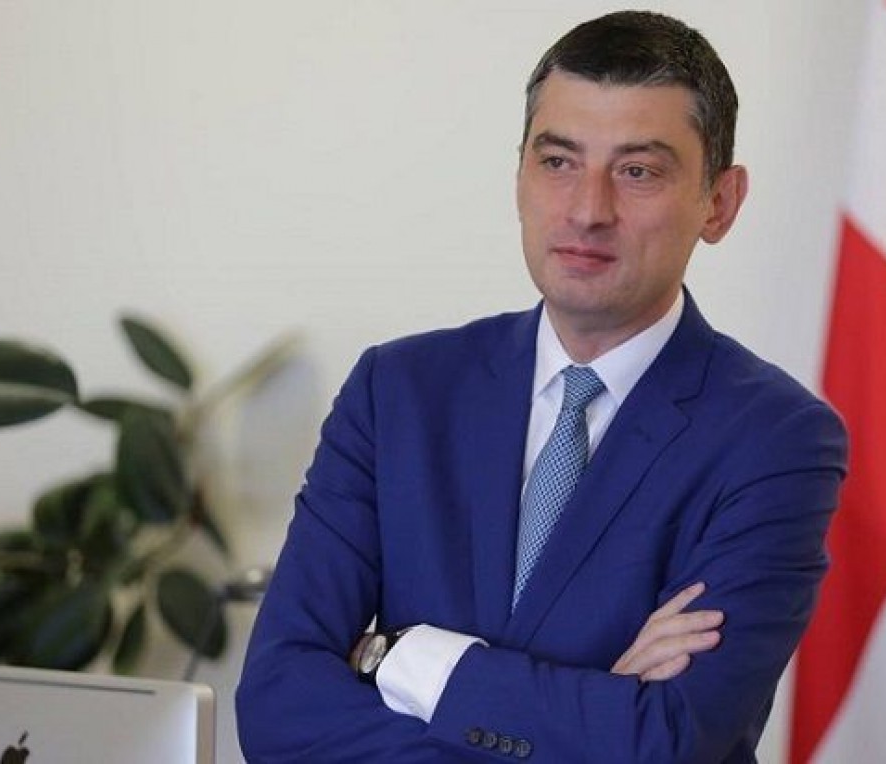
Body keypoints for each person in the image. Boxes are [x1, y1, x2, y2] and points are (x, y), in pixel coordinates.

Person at [236, 10, 847, 763]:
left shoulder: (777, 439)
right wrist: (593, 711)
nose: (588, 210)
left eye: (638, 171)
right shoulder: (396, 393)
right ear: (519, 175)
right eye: (558, 161)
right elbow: (276, 705)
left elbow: (667, 742)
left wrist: (407, 660)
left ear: (719, 203)